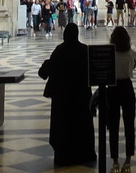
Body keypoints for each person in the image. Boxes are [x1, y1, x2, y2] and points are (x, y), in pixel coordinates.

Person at [39, 23, 95, 165]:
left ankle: (64, 154)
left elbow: (43, 73)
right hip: (81, 97)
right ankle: (85, 153)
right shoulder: (84, 50)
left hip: (63, 98)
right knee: (82, 125)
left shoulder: (59, 50)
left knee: (63, 126)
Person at [106, 26, 136, 173]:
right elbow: (134, 66)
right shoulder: (132, 52)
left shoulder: (110, 52)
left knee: (113, 126)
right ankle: (128, 161)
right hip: (127, 87)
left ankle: (115, 161)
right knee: (129, 125)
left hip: (113, 88)